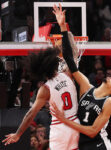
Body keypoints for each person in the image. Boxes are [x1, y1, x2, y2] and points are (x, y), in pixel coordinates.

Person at [50, 4, 111, 150]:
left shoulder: (109, 101)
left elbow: (92, 132)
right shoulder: (86, 87)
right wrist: (63, 27)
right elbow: (69, 60)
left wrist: (64, 120)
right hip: (81, 144)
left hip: (98, 144)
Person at [2, 19, 80, 150]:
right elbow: (73, 56)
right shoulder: (67, 74)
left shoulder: (45, 89)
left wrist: (18, 133)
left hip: (59, 130)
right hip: (74, 128)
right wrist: (66, 32)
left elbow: (30, 114)